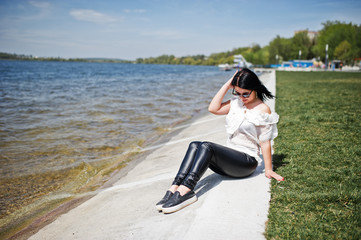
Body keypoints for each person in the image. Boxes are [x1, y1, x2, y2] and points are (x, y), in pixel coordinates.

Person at [156, 68, 284, 214]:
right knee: (195, 145)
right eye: (237, 93)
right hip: (230, 160)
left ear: (255, 89)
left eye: (246, 94)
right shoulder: (235, 103)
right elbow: (213, 108)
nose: (242, 97)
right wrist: (226, 85)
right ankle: (175, 187)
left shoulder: (263, 109)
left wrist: (268, 169)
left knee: (206, 146)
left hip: (246, 163)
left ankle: (186, 191)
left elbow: (265, 142)